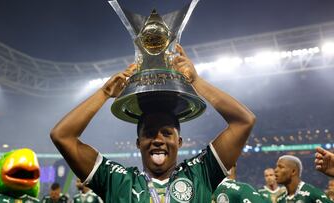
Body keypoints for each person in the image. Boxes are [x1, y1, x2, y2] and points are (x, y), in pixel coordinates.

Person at [50, 44, 256, 202]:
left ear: (180, 141)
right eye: (149, 133)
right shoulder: (117, 180)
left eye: (167, 133)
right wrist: (104, 93)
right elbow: (62, 136)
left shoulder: (200, 173)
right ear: (138, 142)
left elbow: (244, 121)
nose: (158, 139)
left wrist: (196, 81)